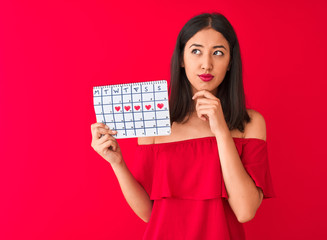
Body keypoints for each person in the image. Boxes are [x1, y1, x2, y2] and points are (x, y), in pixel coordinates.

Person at [91, 12, 275, 240]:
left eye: (218, 53)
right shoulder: (156, 121)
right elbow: (150, 214)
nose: (206, 64)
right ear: (181, 58)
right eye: (196, 51)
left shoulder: (251, 123)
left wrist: (221, 132)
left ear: (229, 63)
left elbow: (245, 211)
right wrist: (117, 163)